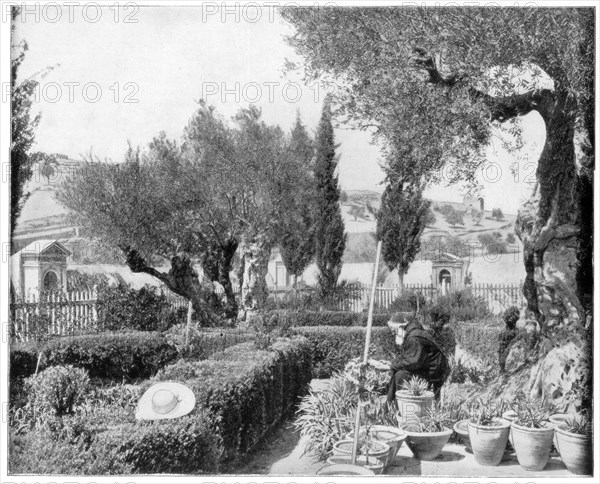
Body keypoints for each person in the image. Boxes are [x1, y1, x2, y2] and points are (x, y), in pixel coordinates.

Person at [370, 313, 450, 404]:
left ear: (401, 328)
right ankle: (394, 407)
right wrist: (391, 363)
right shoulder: (412, 334)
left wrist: (389, 367)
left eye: (394, 330)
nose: (393, 334)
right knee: (400, 373)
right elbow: (408, 356)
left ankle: (400, 408)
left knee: (401, 376)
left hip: (434, 374)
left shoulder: (414, 338)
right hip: (429, 369)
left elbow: (412, 362)